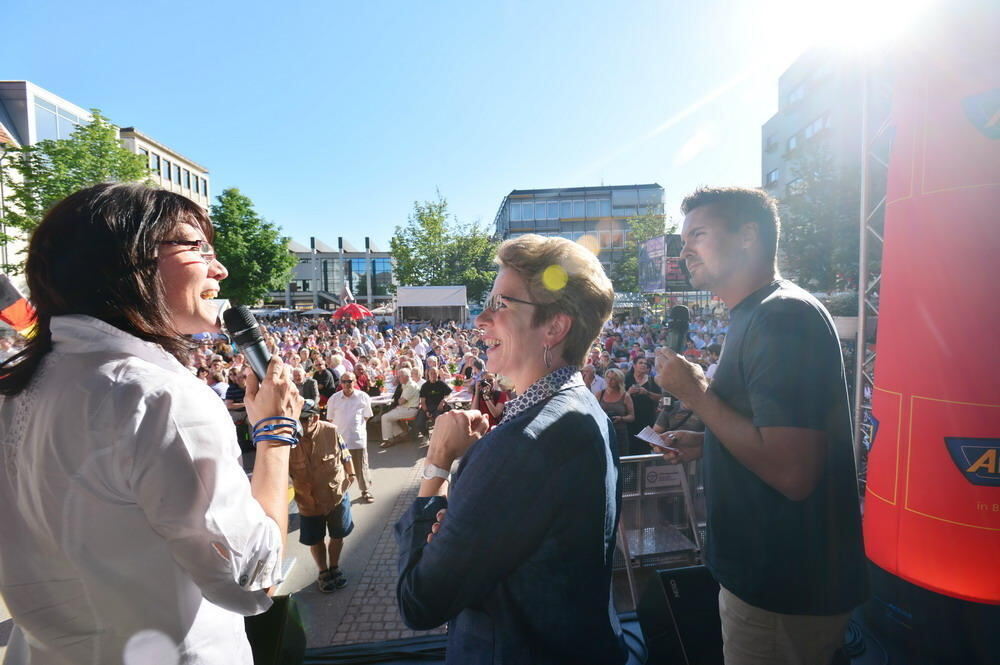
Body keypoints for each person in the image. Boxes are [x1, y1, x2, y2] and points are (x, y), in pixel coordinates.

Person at [0, 183, 301, 664]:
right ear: (127, 260)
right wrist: (275, 432)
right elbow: (252, 577)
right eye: (197, 247)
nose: (219, 268)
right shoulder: (159, 396)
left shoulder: (20, 390)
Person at [652, 187, 867, 665]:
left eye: (699, 235)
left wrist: (697, 395)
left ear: (748, 236)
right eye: (683, 239)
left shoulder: (782, 317)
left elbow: (793, 473)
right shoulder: (758, 313)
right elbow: (776, 438)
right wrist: (706, 443)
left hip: (781, 587)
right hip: (772, 580)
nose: (684, 251)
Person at [395, 234, 628, 665]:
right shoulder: (581, 408)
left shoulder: (520, 446)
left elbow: (419, 601)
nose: (481, 319)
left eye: (502, 305)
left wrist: (438, 466)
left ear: (554, 327)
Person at [290, 400, 356, 592]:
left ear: (315, 418)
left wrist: (351, 475)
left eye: (303, 419)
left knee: (337, 536)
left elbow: (345, 453)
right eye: (295, 418)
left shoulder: (330, 430)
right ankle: (323, 571)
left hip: (336, 495)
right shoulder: (288, 438)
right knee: (316, 539)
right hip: (308, 502)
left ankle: (335, 567)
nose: (298, 424)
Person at [327, 372, 376, 503]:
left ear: (355, 382)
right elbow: (330, 419)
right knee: (339, 468)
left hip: (357, 438)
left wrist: (357, 428)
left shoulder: (363, 397)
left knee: (361, 467)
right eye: (344, 381)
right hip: (340, 440)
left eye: (350, 381)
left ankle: (365, 490)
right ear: (340, 383)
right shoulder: (334, 399)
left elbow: (367, 416)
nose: (347, 384)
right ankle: (340, 492)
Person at [624, 356, 662, 446]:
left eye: (645, 363)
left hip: (647, 419)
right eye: (640, 363)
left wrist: (647, 393)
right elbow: (618, 397)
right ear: (634, 366)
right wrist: (628, 393)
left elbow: (660, 398)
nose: (643, 365)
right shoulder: (626, 379)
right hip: (629, 419)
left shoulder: (652, 380)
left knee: (645, 446)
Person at [381, 368, 420, 447]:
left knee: (385, 417)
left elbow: (401, 401)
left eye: (400, 376)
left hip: (410, 410)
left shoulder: (411, 386)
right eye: (398, 376)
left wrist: (398, 400)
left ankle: (388, 440)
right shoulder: (405, 384)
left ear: (406, 376)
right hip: (405, 408)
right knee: (388, 417)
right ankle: (402, 434)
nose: (398, 378)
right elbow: (398, 398)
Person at [597, 368, 634, 452]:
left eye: (613, 378)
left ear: (618, 380)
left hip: (620, 432)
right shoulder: (599, 394)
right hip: (603, 431)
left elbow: (632, 416)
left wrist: (621, 418)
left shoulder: (625, 396)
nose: (610, 381)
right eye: (608, 377)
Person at [414, 366, 451, 439]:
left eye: (435, 373)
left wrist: (443, 401)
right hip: (427, 407)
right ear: (428, 374)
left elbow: (449, 394)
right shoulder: (425, 386)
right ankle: (426, 435)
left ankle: (441, 438)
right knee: (419, 423)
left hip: (439, 407)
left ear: (438, 374)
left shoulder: (441, 384)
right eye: (431, 373)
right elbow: (423, 401)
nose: (433, 375)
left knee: (439, 420)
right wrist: (426, 411)